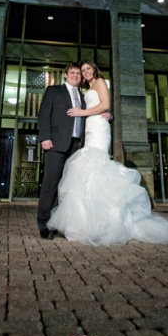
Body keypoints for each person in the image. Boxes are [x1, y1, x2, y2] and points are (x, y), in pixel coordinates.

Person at [47, 60, 168, 246]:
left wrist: (86, 113)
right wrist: (97, 114)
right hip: (89, 129)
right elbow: (99, 109)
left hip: (99, 131)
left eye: (87, 69)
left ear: (94, 69)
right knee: (86, 172)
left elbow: (104, 105)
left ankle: (105, 221)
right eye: (82, 70)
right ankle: (86, 221)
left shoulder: (100, 81)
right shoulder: (85, 88)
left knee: (96, 167)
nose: (85, 72)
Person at [36, 62, 111, 240]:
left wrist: (110, 114)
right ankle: (44, 224)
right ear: (65, 75)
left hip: (77, 146)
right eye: (73, 72)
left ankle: (56, 222)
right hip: (56, 145)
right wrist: (45, 137)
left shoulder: (84, 96)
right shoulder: (54, 91)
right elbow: (44, 114)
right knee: (50, 184)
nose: (77, 75)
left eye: (79, 73)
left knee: (65, 187)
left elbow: (97, 107)